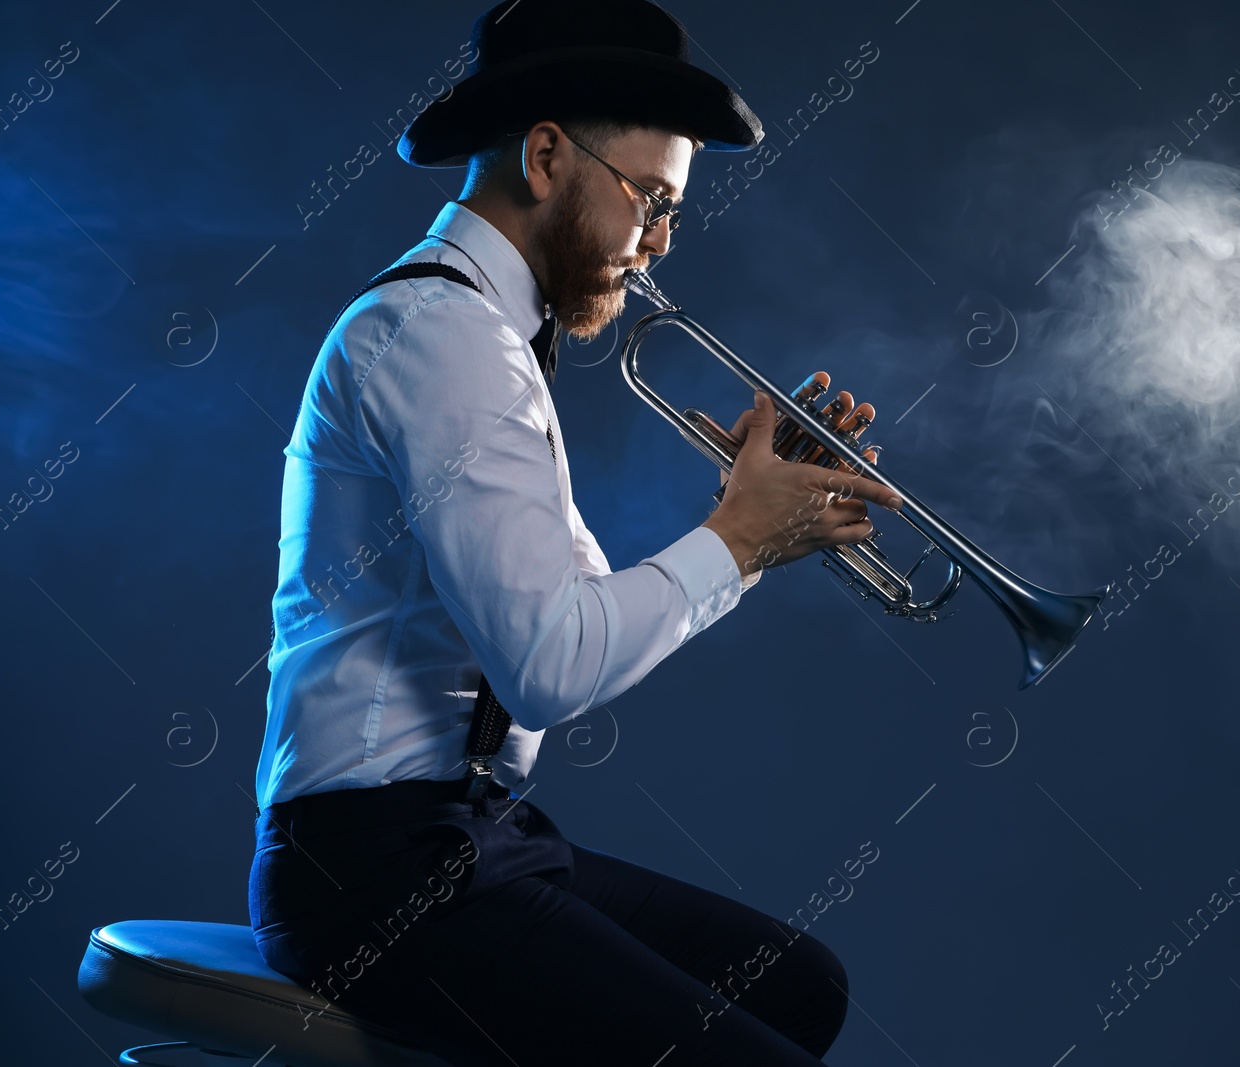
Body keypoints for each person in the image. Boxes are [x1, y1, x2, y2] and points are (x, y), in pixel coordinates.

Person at [247, 1, 902, 1064]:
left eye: (672, 216)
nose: (655, 251)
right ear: (546, 155)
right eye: (649, 200)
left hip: (472, 835)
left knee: (798, 984)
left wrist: (749, 514)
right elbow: (552, 665)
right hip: (372, 873)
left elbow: (581, 615)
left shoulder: (494, 333)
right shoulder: (444, 336)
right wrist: (739, 538)